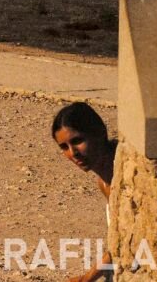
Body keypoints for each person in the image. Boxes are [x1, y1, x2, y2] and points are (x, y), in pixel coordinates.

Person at [51, 102, 117, 282]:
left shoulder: (124, 175)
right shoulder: (103, 182)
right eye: (64, 147)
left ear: (100, 132)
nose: (73, 153)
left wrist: (86, 279)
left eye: (77, 141)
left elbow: (128, 242)